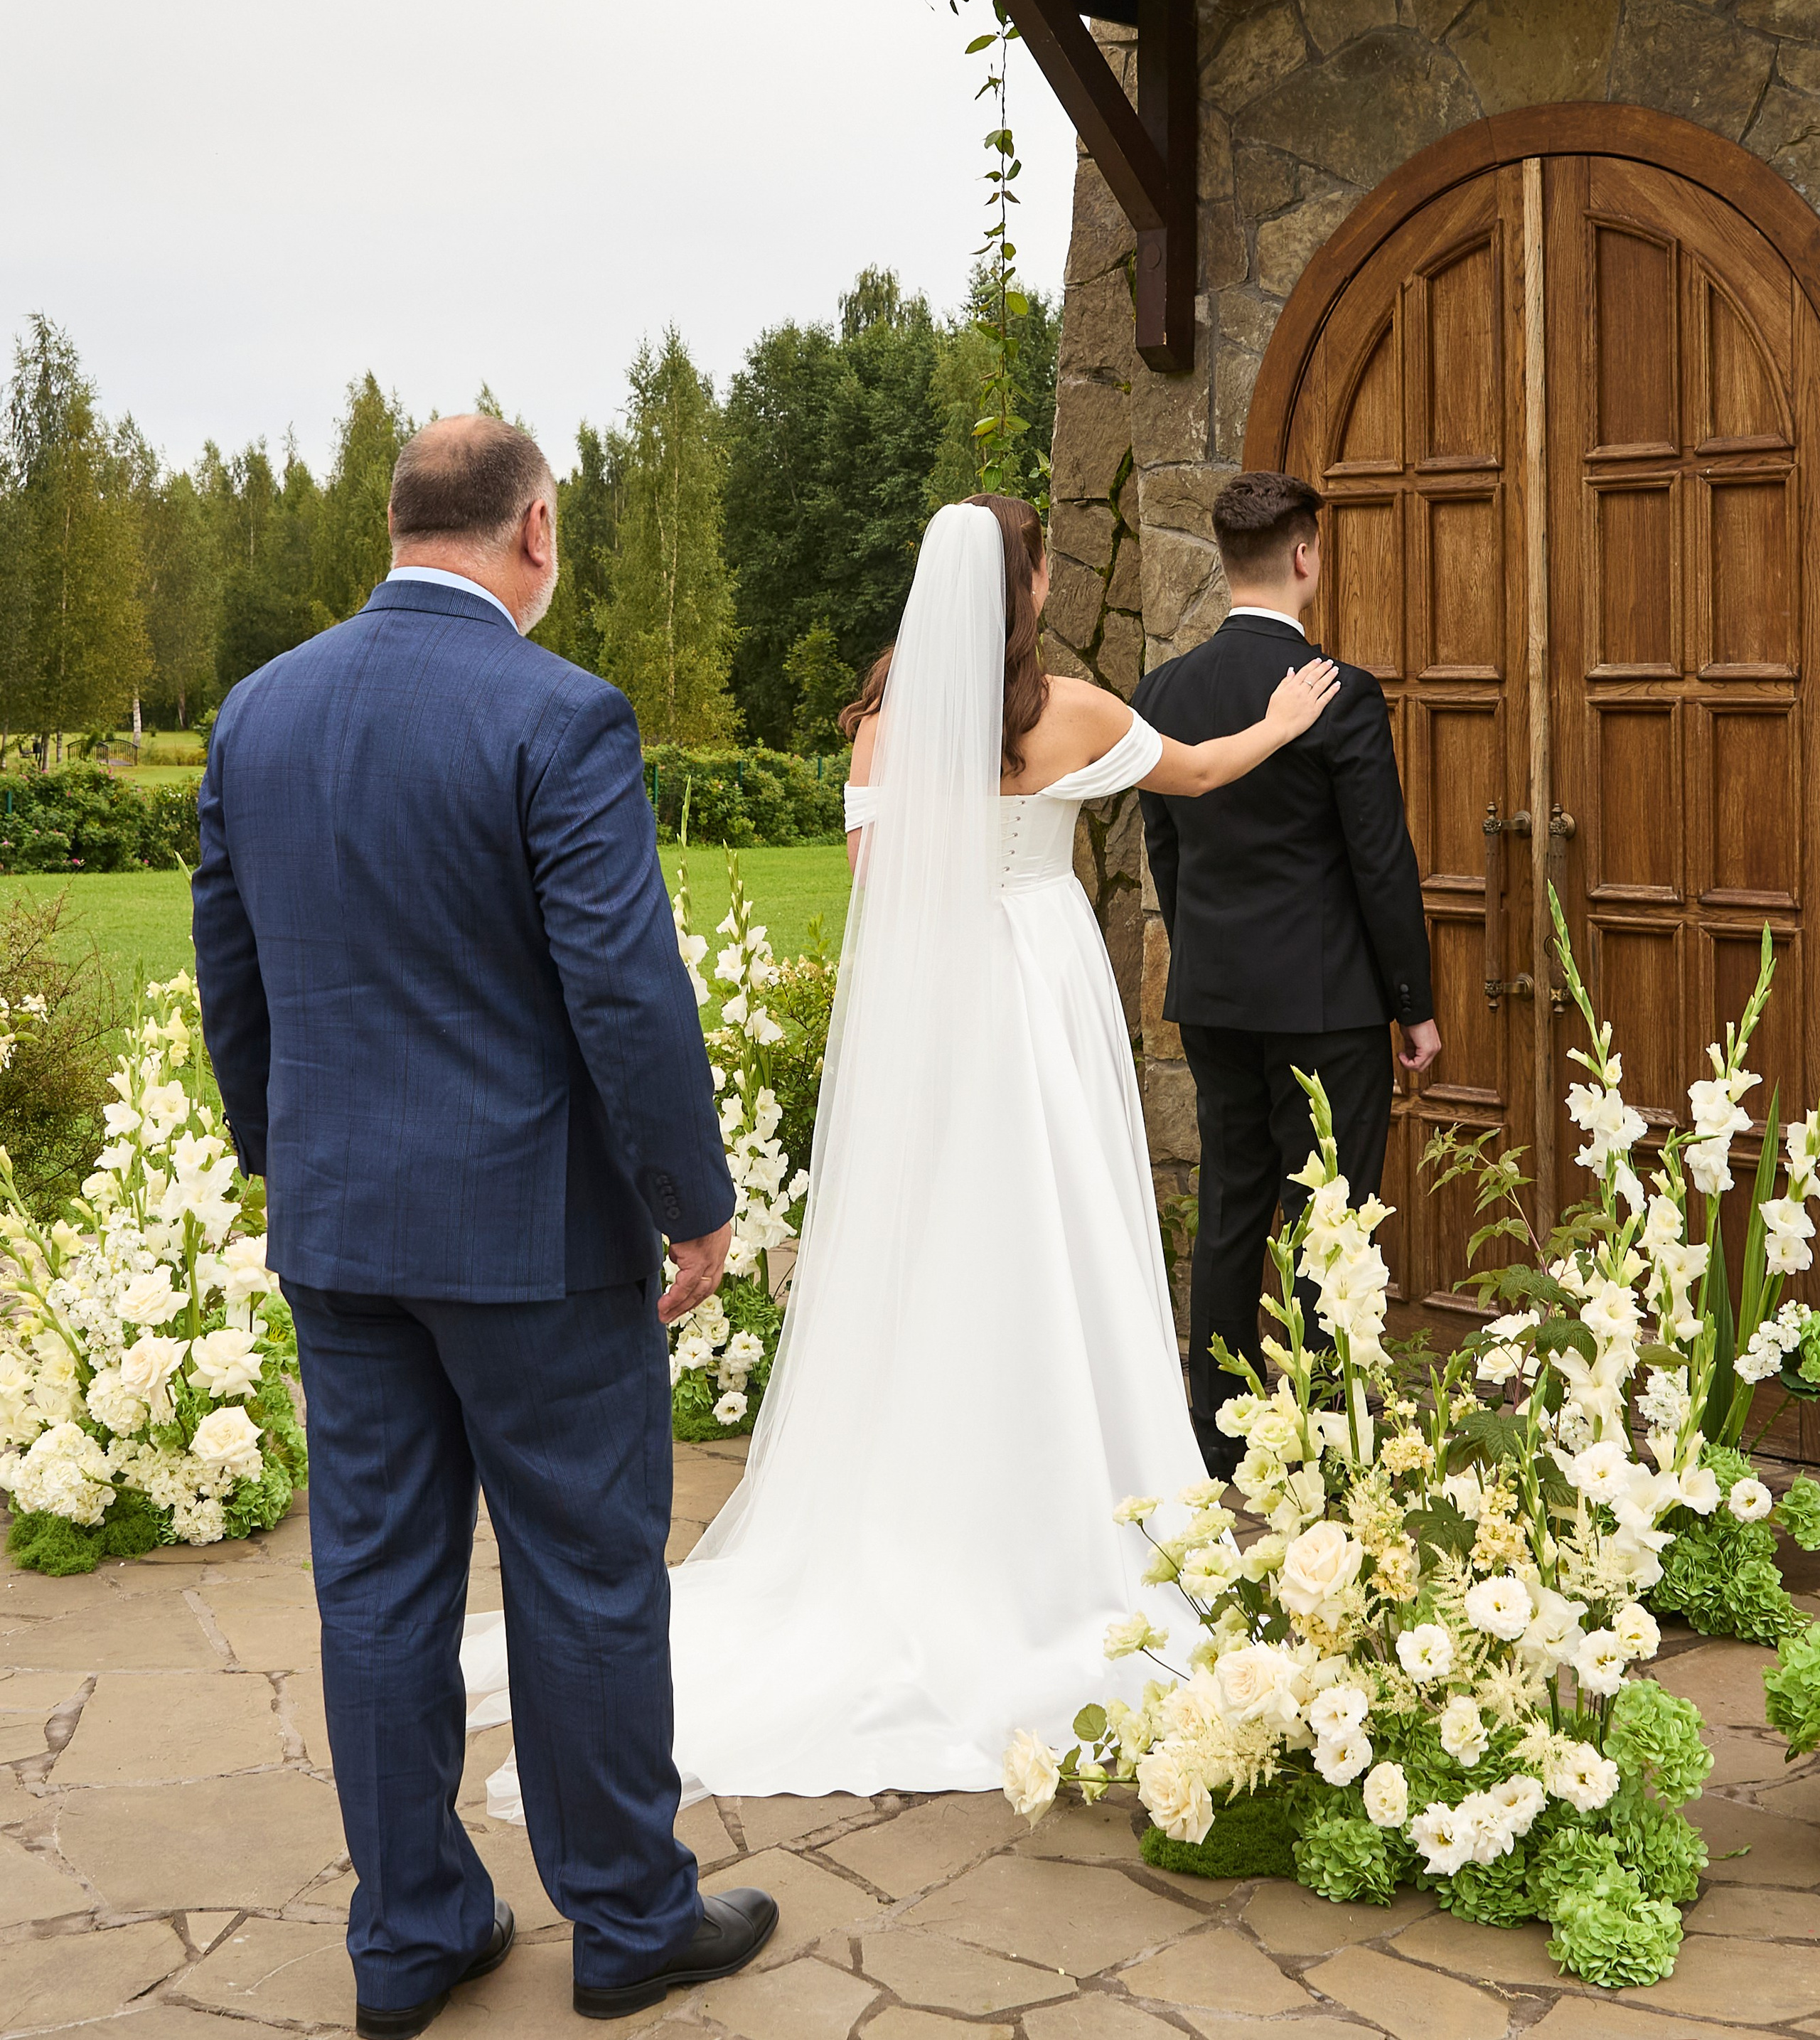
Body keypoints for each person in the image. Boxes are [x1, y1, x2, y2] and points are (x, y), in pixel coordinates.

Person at [465, 493, 1335, 1805]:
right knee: (1059, 1231)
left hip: (938, 1010)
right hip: (1038, 996)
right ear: (1028, 587)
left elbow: (877, 877)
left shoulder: (886, 723)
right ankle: (1073, 1503)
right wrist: (1281, 719)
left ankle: (923, 1493)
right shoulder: (1072, 714)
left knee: (940, 1244)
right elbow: (1204, 773)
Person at [191, 415, 778, 2033]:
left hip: (344, 1232)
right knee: (585, 1574)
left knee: (377, 1582)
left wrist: (286, 1162)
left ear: (396, 523)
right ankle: (630, 1920)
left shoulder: (257, 711)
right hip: (536, 1240)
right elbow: (624, 990)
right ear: (533, 530)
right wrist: (694, 1202)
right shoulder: (558, 713)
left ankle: (411, 1937)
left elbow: (231, 975)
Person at [1131, 469, 1439, 1480]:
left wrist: (1207, 954)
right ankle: (1319, 1438)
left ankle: (1218, 1436)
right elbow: (1380, 862)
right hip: (1328, 1005)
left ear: (1231, 561)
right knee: (1329, 1216)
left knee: (1232, 1204)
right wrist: (1414, 1006)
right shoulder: (1338, 693)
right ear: (1305, 554)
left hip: (1216, 997)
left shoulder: (1164, 694)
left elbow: (1168, 852)